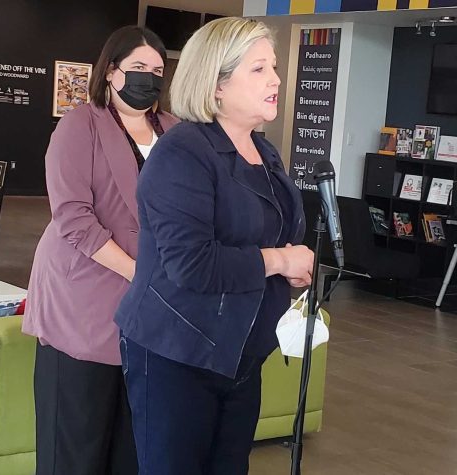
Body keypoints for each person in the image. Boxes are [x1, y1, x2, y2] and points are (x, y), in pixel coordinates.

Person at [115, 17, 314, 475]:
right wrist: (279, 259)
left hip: (240, 353)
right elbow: (193, 265)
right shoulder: (182, 153)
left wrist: (291, 267)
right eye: (259, 69)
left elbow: (270, 240)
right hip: (178, 352)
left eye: (274, 68)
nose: (276, 79)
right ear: (217, 84)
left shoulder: (266, 153)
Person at [22, 26, 179, 475]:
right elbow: (73, 217)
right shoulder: (79, 124)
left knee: (132, 446)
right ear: (111, 72)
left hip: (151, 309)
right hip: (83, 298)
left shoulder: (174, 131)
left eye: (156, 70)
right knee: (75, 442)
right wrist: (137, 273)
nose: (148, 77)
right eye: (137, 69)